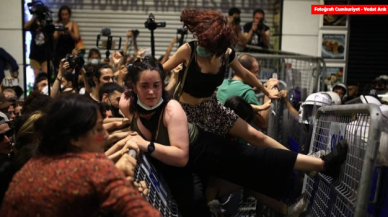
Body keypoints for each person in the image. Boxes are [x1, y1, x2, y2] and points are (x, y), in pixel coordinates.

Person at [120, 58, 349, 217]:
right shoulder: (127, 105)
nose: (151, 91)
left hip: (203, 148)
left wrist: (144, 144)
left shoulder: (171, 109)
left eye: (156, 85)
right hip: (183, 166)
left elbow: (180, 155)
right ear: (133, 87)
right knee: (196, 207)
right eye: (144, 86)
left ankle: (321, 164)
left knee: (256, 155)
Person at [0, 94, 161, 217]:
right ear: (75, 138)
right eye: (98, 129)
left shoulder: (30, 167)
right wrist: (124, 187)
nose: (105, 135)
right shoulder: (92, 168)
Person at [161, 8, 283, 150]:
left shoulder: (226, 54)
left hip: (211, 108)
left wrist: (266, 92)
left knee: (257, 136)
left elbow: (245, 73)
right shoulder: (188, 50)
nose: (202, 44)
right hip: (186, 112)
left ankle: (308, 164)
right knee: (200, 151)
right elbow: (161, 70)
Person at [216, 54, 271, 129]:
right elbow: (263, 124)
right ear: (246, 72)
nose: (258, 76)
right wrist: (268, 93)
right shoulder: (247, 92)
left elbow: (237, 91)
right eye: (256, 72)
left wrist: (262, 87)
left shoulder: (224, 84)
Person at [53, 5, 80, 70]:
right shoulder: (57, 23)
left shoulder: (73, 23)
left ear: (69, 14)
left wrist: (69, 32)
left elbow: (76, 38)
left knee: (70, 70)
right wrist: (59, 31)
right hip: (59, 51)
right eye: (63, 14)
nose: (64, 16)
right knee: (59, 69)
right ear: (60, 15)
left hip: (70, 50)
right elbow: (54, 38)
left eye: (66, 14)